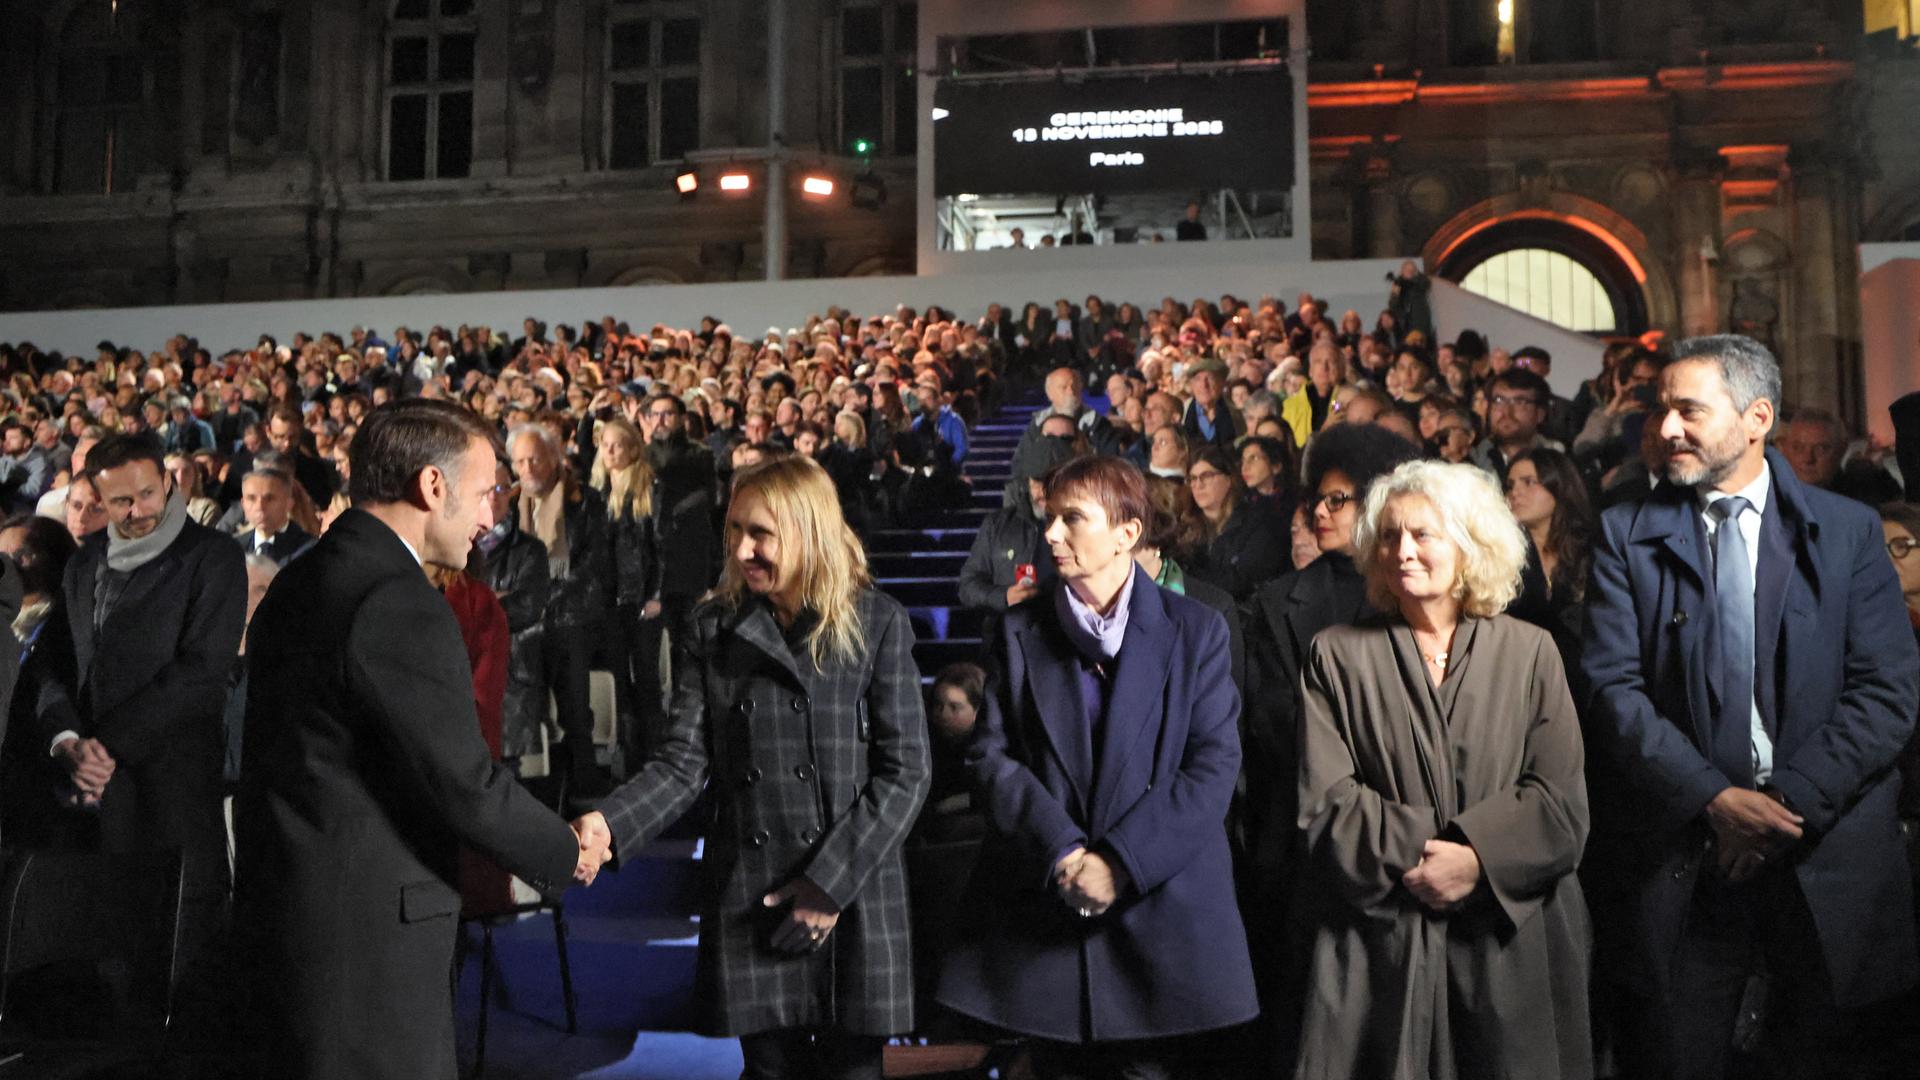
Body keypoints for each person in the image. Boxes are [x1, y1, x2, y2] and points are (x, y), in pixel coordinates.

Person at [1582, 335, 1920, 1079]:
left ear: (1757, 416)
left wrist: (1784, 806)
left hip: (1829, 866)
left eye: (1689, 410)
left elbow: (1886, 693)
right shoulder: (1623, 534)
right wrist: (1713, 800)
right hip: (1689, 865)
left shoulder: (1849, 533)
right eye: (1662, 409)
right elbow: (1613, 691)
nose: (1666, 427)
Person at [235, 399, 602, 1080]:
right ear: (433, 487)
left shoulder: (304, 578)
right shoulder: (396, 598)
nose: (494, 516)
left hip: (297, 924)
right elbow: (465, 785)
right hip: (370, 942)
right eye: (488, 491)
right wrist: (567, 850)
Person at [574, 456, 929, 1080]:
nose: (742, 549)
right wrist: (610, 824)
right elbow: (684, 761)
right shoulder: (712, 628)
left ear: (808, 528)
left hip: (853, 896)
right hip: (754, 893)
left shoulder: (878, 624)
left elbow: (906, 773)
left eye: (760, 533)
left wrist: (828, 885)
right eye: (733, 531)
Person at [937, 456, 1257, 1076]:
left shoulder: (1199, 631)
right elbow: (990, 757)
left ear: (1127, 534)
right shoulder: (1016, 631)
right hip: (1046, 911)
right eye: (1050, 518)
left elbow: (1212, 767)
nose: (1051, 534)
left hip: (1158, 911)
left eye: (1072, 519)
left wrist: (1118, 864)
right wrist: (1062, 851)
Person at [1293, 459, 1591, 1079]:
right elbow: (1326, 802)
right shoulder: (1336, 654)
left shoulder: (1531, 651)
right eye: (1391, 535)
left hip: (1510, 934)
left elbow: (1560, 802)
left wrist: (1478, 859)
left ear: (1469, 542)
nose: (1404, 550)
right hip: (1381, 939)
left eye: (1424, 534)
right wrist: (1430, 856)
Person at [32, 432, 244, 987]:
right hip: (86, 804)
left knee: (176, 964)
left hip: (170, 798)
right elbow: (53, 665)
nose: (140, 510)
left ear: (169, 481)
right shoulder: (83, 566)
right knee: (101, 973)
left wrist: (105, 748)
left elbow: (201, 670)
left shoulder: (212, 558)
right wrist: (65, 740)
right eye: (122, 501)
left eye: (149, 493)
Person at [510, 422, 614, 797]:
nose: (527, 469)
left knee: (574, 706)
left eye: (534, 459)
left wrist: (546, 594)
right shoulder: (512, 503)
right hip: (527, 621)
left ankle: (583, 784)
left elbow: (594, 560)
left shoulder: (584, 499)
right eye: (520, 461)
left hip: (573, 617)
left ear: (554, 459)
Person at [588, 416, 668, 762]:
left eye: (617, 443)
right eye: (604, 443)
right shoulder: (596, 490)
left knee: (646, 677)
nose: (609, 450)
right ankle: (627, 749)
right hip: (607, 599)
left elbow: (661, 547)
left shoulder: (649, 488)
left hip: (641, 597)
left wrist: (656, 595)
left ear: (633, 448)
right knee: (617, 674)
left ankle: (654, 752)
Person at [1503, 448, 1594, 669]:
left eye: (1528, 482)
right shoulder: (1502, 554)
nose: (1515, 492)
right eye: (1510, 485)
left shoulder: (1591, 549)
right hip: (1520, 668)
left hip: (1581, 672)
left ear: (1559, 487)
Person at [1185, 445, 1287, 601]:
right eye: (1192, 478)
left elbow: (1242, 581)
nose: (1198, 485)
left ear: (1229, 479)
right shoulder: (1186, 528)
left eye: (1206, 476)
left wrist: (1186, 580)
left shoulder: (1257, 523)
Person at [235, 463, 313, 565]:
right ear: (243, 504)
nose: (260, 507)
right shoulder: (233, 549)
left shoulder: (310, 549)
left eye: (269, 499)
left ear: (289, 503)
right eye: (251, 498)